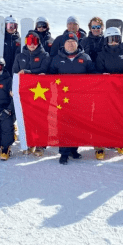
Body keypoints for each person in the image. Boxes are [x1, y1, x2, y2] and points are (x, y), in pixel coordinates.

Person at [50, 32, 95, 165]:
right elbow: (50, 77)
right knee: (64, 125)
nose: (70, 44)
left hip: (80, 99)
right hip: (62, 98)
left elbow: (93, 75)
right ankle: (63, 153)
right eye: (68, 42)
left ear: (77, 43)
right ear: (64, 44)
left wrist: (104, 77)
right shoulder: (57, 59)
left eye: (73, 42)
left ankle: (73, 149)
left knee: (77, 124)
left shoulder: (85, 58)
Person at [94, 26, 123, 159]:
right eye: (111, 39)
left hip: (121, 91)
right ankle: (100, 144)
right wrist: (102, 75)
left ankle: (120, 142)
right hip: (105, 91)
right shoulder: (101, 55)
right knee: (103, 117)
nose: (114, 42)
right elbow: (96, 71)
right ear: (106, 40)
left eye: (116, 39)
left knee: (119, 116)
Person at [12, 30, 51, 156]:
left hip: (40, 92)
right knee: (26, 117)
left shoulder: (44, 55)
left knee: (40, 117)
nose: (32, 44)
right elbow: (15, 72)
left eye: (34, 42)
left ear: (38, 42)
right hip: (25, 92)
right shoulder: (20, 56)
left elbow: (43, 69)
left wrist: (28, 72)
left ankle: (40, 144)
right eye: (29, 41)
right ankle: (29, 142)